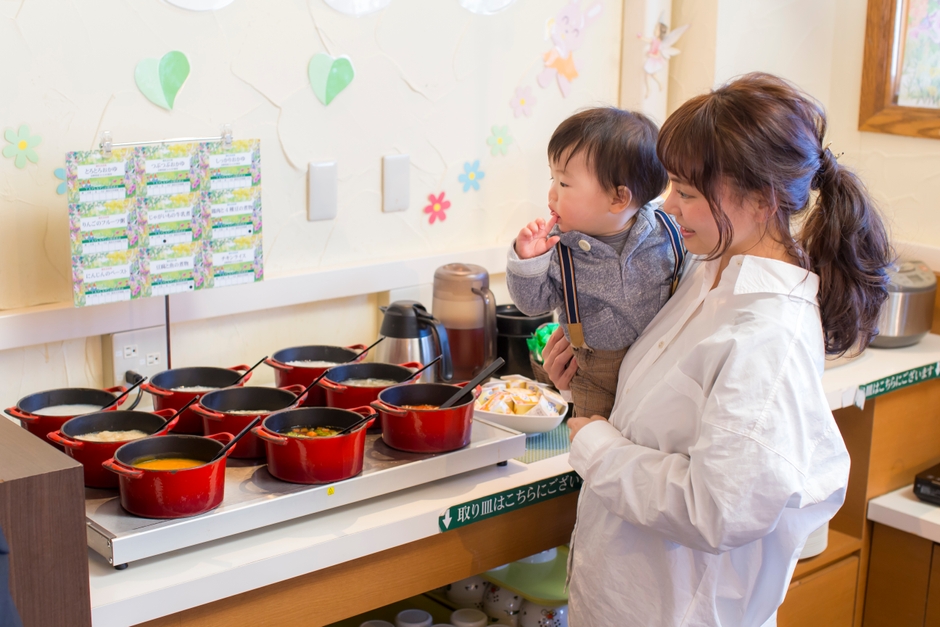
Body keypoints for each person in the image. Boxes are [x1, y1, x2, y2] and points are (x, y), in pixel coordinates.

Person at [542, 73, 892, 626]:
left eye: (685, 191)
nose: (668, 206)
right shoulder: (707, 273)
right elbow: (669, 412)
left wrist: (599, 448)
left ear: (761, 199)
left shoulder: (768, 335)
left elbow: (718, 509)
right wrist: (587, 378)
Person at [506, 107, 683, 419]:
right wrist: (528, 261)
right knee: (592, 451)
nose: (551, 193)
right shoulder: (560, 247)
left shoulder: (668, 231)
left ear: (618, 199)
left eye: (564, 184)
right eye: (553, 178)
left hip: (662, 367)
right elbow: (532, 305)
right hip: (595, 375)